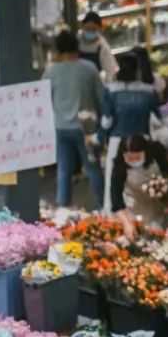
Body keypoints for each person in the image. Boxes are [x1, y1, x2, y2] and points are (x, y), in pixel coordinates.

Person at [44, 30, 104, 208]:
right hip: (87, 129)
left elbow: (44, 98)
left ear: (58, 50)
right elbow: (101, 97)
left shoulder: (51, 71)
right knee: (93, 169)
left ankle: (63, 206)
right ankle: (101, 207)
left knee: (64, 169)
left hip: (60, 127)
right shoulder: (89, 68)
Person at [100, 54, 161, 212]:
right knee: (144, 179)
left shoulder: (110, 90)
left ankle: (113, 217)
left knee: (114, 182)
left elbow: (106, 122)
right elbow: (160, 119)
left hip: (117, 140)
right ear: (137, 69)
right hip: (142, 140)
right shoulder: (149, 91)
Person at [111, 135, 168, 234]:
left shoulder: (157, 151)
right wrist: (126, 223)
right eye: (130, 158)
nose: (134, 161)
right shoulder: (119, 164)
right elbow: (116, 197)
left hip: (161, 204)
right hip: (136, 205)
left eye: (138, 157)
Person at [78, 11, 118, 81]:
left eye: (93, 30)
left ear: (100, 29)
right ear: (82, 27)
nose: (90, 32)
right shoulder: (77, 41)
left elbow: (110, 72)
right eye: (87, 29)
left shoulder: (102, 46)